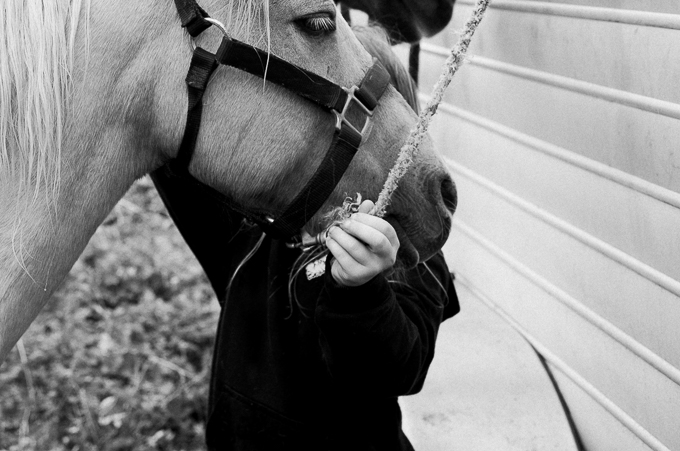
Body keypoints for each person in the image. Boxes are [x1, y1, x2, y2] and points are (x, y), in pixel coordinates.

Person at [152, 27, 458, 450]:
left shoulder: (409, 251)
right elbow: (176, 149)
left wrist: (360, 292)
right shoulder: (254, 235)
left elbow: (398, 369)